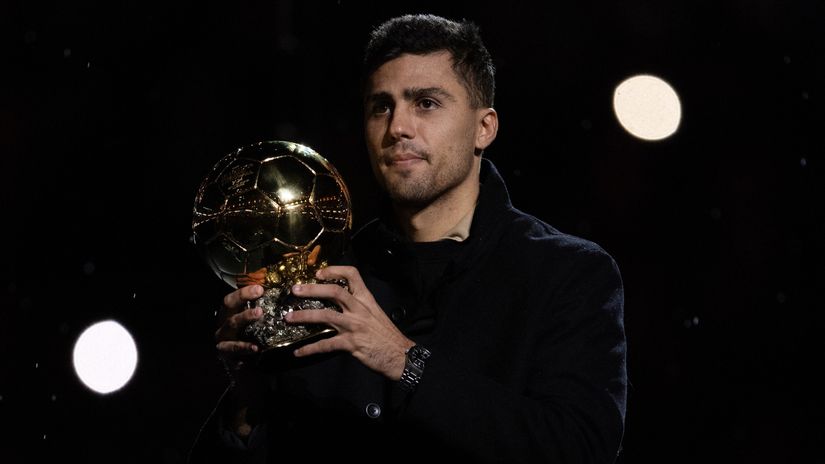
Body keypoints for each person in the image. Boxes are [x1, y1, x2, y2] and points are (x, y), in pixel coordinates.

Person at [189, 13, 627, 463]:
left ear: (484, 128)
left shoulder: (568, 274)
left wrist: (404, 361)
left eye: (426, 103)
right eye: (381, 106)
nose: (397, 126)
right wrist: (246, 409)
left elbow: (580, 447)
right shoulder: (322, 278)